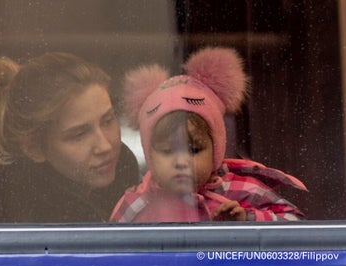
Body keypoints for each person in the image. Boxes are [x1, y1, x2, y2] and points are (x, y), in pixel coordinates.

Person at [110, 47, 307, 223]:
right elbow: (109, 251)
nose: (181, 161)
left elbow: (295, 224)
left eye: (194, 149)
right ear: (149, 154)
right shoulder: (138, 204)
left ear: (216, 149)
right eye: (167, 151)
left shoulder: (241, 190)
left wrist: (247, 218)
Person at [0, 52, 139, 223]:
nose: (105, 146)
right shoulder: (19, 213)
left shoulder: (123, 166)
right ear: (34, 148)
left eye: (108, 120)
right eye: (79, 135)